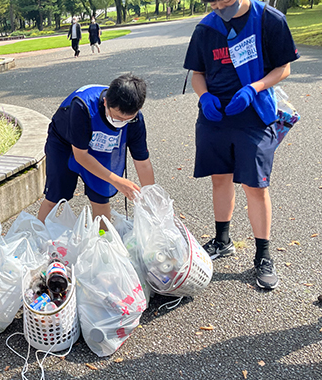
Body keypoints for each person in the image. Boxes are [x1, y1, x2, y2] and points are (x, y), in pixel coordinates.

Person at [183, 0, 299, 289]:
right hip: (215, 117)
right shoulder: (206, 27)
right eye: (213, 1)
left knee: (255, 186)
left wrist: (254, 88)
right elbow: (198, 73)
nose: (219, 5)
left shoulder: (268, 20)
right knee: (220, 179)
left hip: (253, 113)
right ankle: (222, 240)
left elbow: (283, 68)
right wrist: (204, 97)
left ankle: (263, 255)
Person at [37, 74, 155, 224]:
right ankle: (38, 237)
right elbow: (80, 156)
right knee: (56, 195)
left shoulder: (136, 120)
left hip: (100, 147)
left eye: (128, 119)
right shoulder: (82, 106)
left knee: (100, 198)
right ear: (106, 102)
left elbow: (142, 162)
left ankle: (102, 238)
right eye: (117, 117)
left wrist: (151, 199)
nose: (122, 122)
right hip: (64, 143)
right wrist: (117, 181)